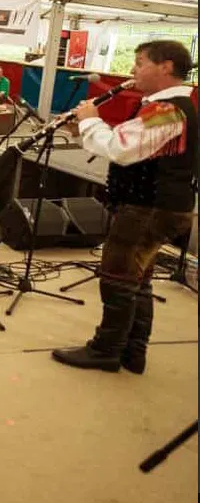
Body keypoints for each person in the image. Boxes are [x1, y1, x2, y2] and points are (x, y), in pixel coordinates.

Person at [52, 41, 197, 374]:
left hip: (148, 209)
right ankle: (133, 351)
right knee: (137, 278)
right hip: (156, 206)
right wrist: (85, 130)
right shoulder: (168, 106)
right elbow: (134, 146)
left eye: (140, 62)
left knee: (117, 276)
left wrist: (90, 119)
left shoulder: (169, 109)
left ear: (167, 67)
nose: (132, 70)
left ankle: (106, 349)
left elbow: (120, 148)